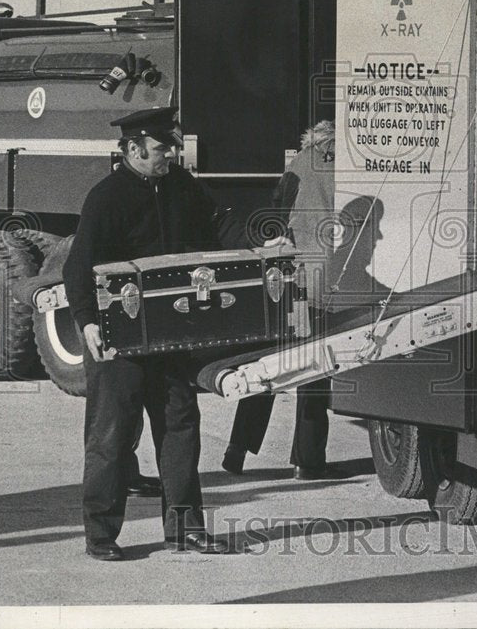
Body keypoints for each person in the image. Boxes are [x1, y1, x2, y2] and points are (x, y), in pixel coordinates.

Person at [63, 106, 231, 560]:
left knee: (180, 429)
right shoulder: (106, 197)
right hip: (120, 339)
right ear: (134, 149)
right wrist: (87, 322)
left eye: (172, 146)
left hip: (172, 337)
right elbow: (77, 267)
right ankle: (101, 535)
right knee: (111, 436)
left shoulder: (181, 187)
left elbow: (215, 236)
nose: (171, 154)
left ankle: (185, 530)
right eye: (162, 148)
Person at [221, 120, 340, 481]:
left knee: (270, 364)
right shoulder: (343, 167)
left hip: (290, 272)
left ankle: (237, 449)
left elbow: (277, 210)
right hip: (324, 274)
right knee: (314, 370)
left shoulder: (300, 162)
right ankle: (308, 460)